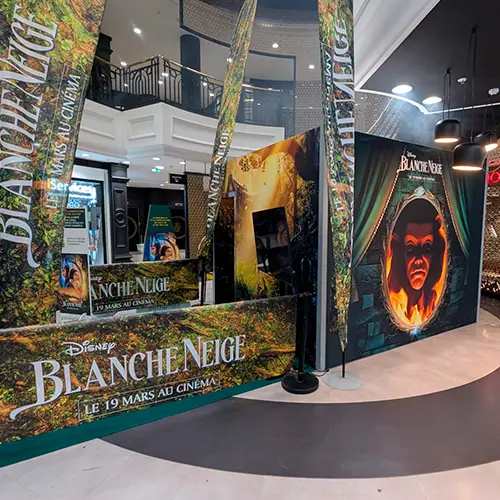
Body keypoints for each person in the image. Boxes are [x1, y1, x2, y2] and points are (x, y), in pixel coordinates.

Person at [387, 198, 446, 326]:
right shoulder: (395, 298)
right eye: (410, 247)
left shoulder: (431, 299)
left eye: (427, 247)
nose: (419, 259)